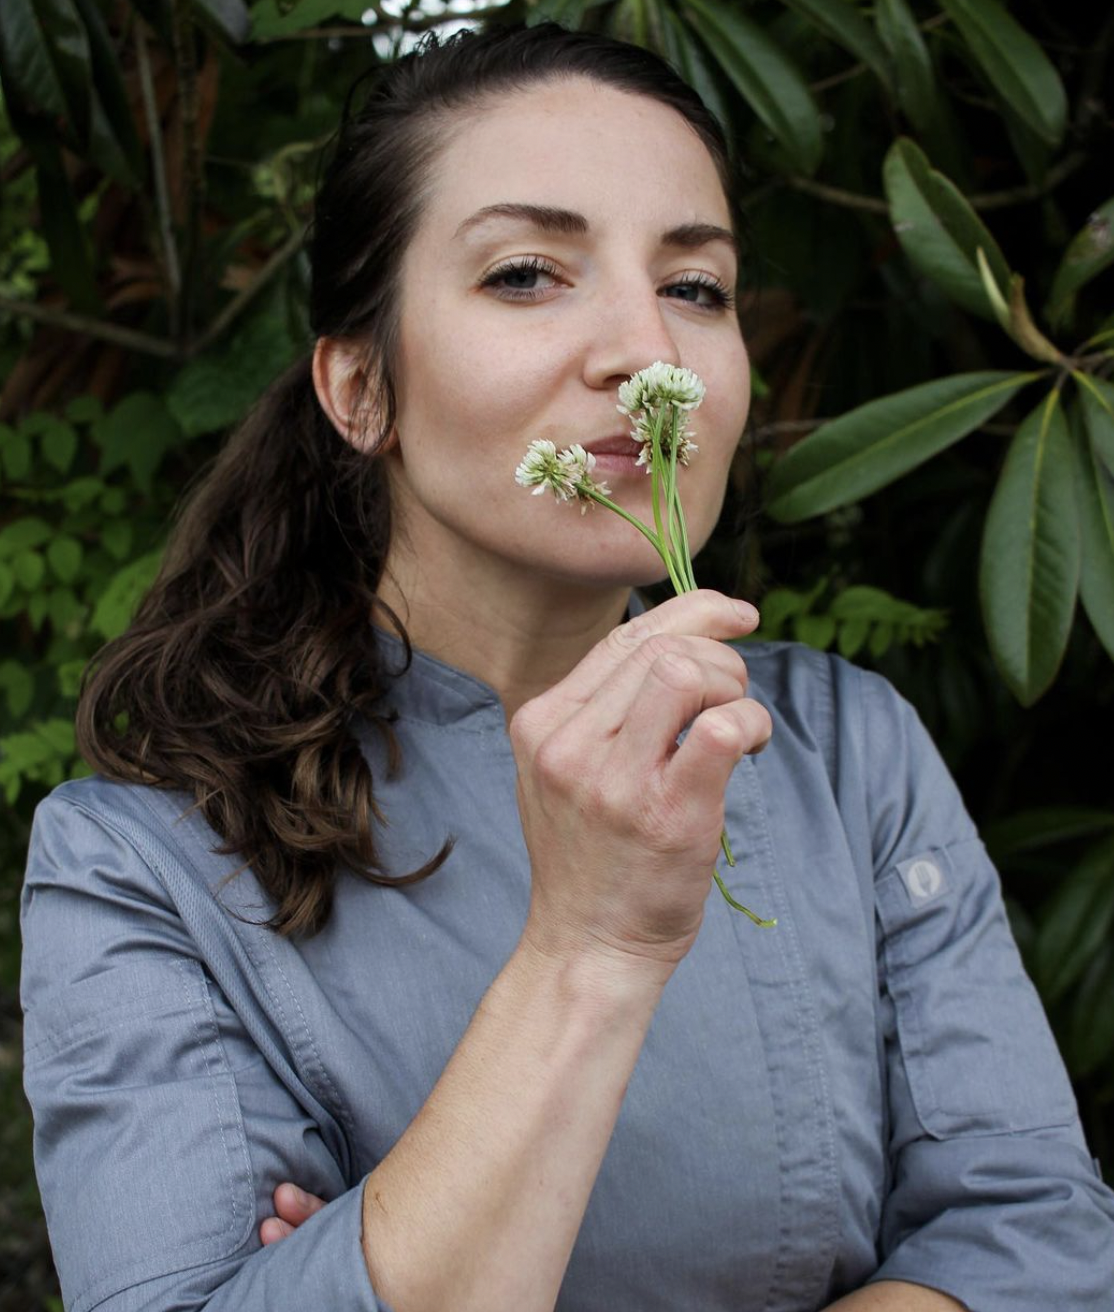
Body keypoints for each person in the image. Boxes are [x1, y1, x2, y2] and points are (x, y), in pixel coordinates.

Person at [19, 22, 1114, 1312]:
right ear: (361, 388)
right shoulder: (142, 862)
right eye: (527, 274)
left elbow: (1039, 1237)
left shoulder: (842, 749)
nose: (648, 352)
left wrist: (393, 1246)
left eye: (695, 287)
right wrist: (590, 946)